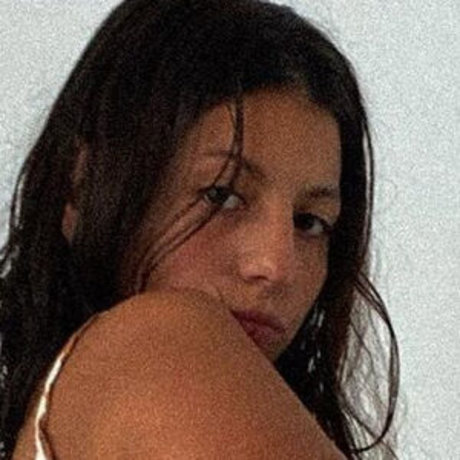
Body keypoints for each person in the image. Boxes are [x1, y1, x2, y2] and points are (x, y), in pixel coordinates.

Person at [0, 0, 400, 458]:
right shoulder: (157, 336)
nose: (275, 266)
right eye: (222, 195)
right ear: (83, 186)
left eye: (310, 222)